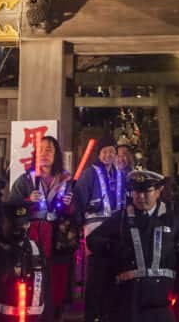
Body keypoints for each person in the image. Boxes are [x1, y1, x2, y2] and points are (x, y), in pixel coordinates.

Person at [86, 170, 179, 322]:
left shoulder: (173, 220)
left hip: (163, 300)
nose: (140, 197)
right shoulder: (121, 219)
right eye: (136, 192)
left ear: (159, 191)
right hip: (129, 301)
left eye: (147, 191)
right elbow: (93, 241)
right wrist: (112, 247)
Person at [9, 135, 74, 317]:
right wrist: (27, 201)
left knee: (57, 282)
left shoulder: (66, 181)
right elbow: (10, 207)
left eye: (50, 150)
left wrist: (71, 205)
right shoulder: (25, 180)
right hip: (34, 240)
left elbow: (77, 213)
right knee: (34, 281)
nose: (45, 153)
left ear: (56, 155)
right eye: (41, 149)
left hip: (59, 242)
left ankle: (56, 314)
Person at [73, 134, 128, 322]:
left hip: (116, 228)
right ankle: (92, 315)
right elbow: (78, 198)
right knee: (96, 272)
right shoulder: (90, 173)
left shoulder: (120, 173)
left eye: (111, 151)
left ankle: (109, 313)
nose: (108, 155)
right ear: (99, 154)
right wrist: (79, 222)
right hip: (94, 228)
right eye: (105, 152)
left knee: (114, 270)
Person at [0, 199, 51, 321]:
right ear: (3, 223)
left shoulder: (36, 250)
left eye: (23, 224)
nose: (19, 230)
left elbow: (46, 289)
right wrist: (11, 254)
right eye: (14, 225)